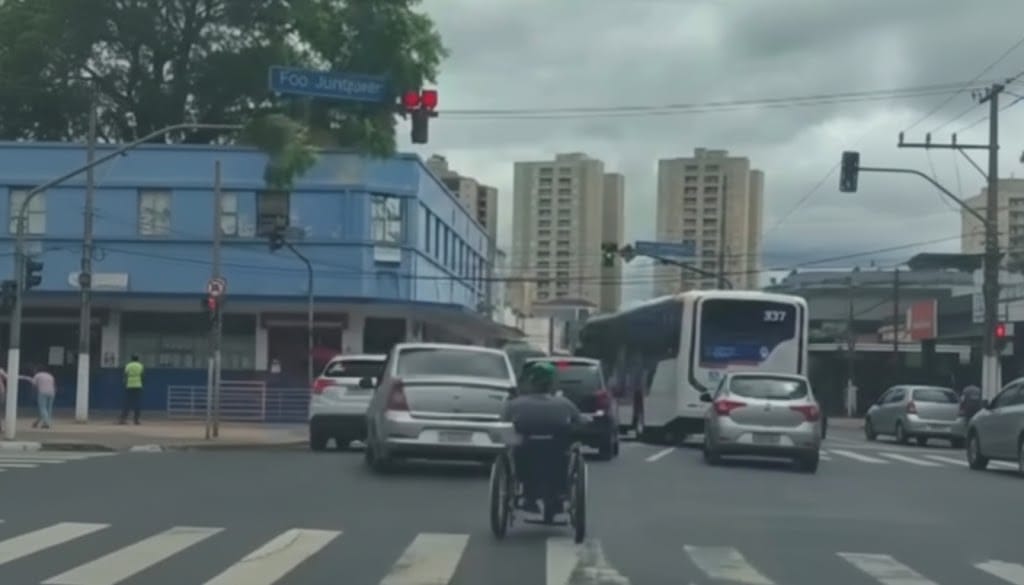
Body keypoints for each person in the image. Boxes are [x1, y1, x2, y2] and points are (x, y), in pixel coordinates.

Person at [501, 361, 583, 514]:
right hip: (557, 457)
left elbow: (504, 424)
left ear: (531, 382)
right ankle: (557, 497)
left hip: (524, 456)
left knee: (517, 450)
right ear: (551, 384)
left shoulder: (514, 405)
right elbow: (579, 422)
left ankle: (529, 497)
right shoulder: (564, 404)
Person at [28, 365, 56, 429]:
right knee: (48, 409)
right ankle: (37, 422)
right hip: (52, 393)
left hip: (42, 392)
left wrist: (32, 394)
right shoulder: (50, 376)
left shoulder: (37, 375)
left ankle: (47, 423)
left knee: (42, 408)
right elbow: (54, 385)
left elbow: (34, 385)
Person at [120, 355, 145, 425]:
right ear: (138, 359)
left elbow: (125, 375)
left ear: (131, 359)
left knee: (127, 402)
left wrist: (124, 383)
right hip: (138, 385)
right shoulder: (140, 366)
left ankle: (123, 419)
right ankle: (136, 420)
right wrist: (142, 384)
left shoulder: (128, 365)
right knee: (137, 403)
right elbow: (143, 376)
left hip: (129, 385)